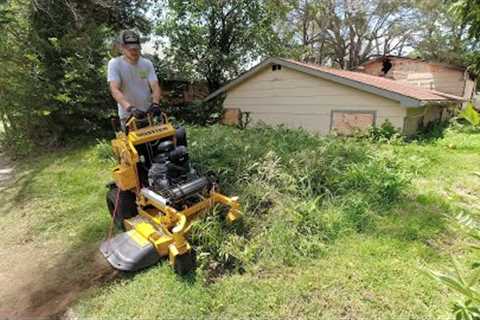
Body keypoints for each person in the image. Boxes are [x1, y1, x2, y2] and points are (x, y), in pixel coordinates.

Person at [107, 30, 162, 126]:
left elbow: (155, 86)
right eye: (130, 49)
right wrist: (130, 108)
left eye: (136, 49)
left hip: (148, 113)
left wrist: (155, 103)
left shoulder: (146, 64)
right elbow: (114, 89)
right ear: (122, 48)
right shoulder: (115, 64)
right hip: (128, 116)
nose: (134, 51)